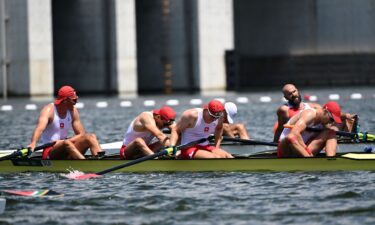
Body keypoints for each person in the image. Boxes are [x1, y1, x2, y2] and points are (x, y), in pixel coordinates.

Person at [28, 85, 103, 159]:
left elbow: (81, 134)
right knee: (66, 143)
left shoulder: (73, 111)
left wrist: (69, 140)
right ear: (65, 100)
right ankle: (86, 164)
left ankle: (100, 160)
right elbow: (39, 129)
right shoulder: (49, 110)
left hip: (67, 147)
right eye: (74, 100)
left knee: (91, 137)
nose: (76, 103)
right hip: (50, 150)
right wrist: (33, 143)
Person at [273, 83, 358, 142]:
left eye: (294, 91)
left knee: (344, 120)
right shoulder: (284, 110)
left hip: (315, 136)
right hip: (299, 139)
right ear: (286, 97)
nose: (294, 94)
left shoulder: (313, 106)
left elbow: (331, 114)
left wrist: (346, 115)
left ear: (298, 91)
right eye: (289, 94)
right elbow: (280, 128)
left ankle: (349, 138)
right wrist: (275, 145)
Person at [277, 101, 342, 157]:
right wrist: (306, 150)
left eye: (333, 121)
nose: (331, 122)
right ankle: (309, 160)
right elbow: (295, 133)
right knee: (291, 137)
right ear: (325, 111)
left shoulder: (323, 121)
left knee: (331, 132)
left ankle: (331, 161)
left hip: (302, 150)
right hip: (287, 149)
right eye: (331, 119)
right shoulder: (310, 114)